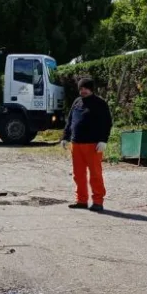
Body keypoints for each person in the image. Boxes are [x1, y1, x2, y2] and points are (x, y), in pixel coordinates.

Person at [61, 78, 113, 212]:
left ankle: (98, 201)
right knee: (78, 174)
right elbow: (70, 120)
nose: (83, 90)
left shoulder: (100, 103)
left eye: (85, 88)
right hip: (76, 144)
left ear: (91, 89)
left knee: (95, 173)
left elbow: (107, 123)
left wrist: (103, 140)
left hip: (93, 144)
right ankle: (81, 200)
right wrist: (65, 137)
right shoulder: (77, 102)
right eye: (81, 88)